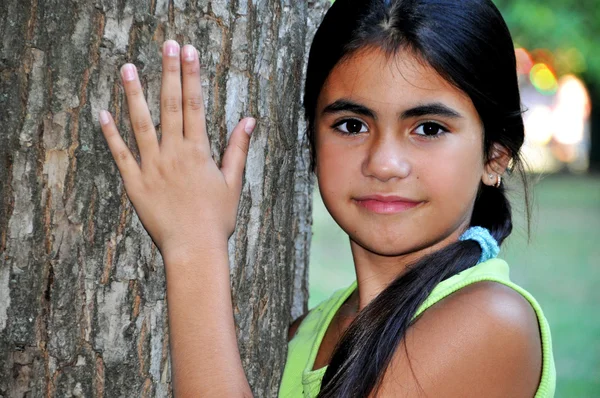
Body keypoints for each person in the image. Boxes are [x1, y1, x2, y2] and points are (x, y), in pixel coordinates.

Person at [98, 0, 556, 396]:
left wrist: (193, 243)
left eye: (429, 129)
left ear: (495, 157)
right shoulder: (307, 332)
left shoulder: (492, 323)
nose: (383, 162)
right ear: (313, 142)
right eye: (352, 125)